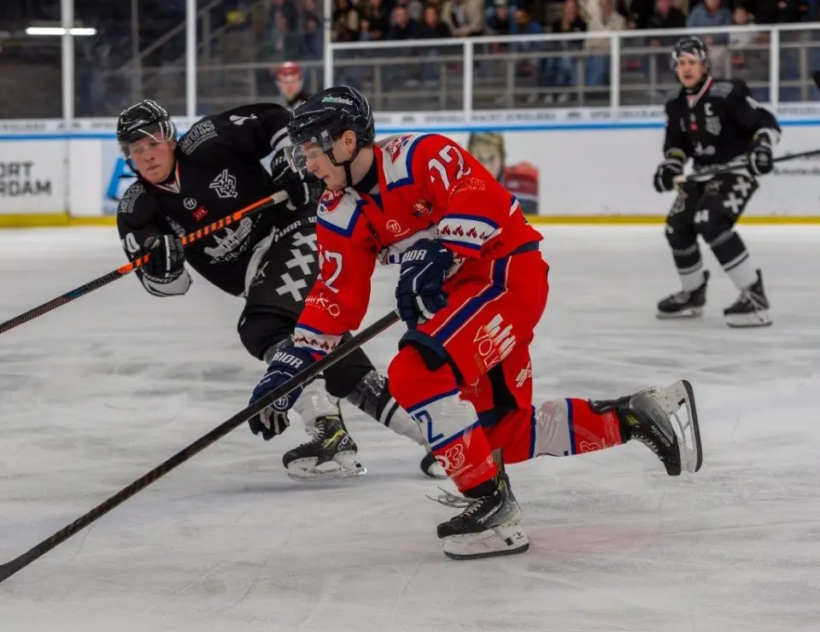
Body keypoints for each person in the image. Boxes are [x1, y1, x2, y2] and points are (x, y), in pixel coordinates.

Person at [247, 85, 703, 560]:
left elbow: (480, 198)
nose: (309, 166)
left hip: (505, 276)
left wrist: (440, 248)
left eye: (312, 152)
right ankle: (639, 415)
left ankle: (491, 504)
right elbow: (336, 295)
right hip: (462, 299)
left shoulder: (420, 155)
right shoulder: (337, 208)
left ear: (345, 142)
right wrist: (291, 365)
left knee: (414, 372)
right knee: (503, 434)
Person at [114, 100, 440, 481]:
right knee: (329, 354)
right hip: (259, 279)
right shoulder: (136, 208)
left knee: (262, 325)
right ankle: (433, 437)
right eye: (136, 150)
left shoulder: (208, 139)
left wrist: (292, 159)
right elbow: (172, 287)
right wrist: (161, 265)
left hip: (295, 228)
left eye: (152, 143)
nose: (147, 155)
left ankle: (326, 423)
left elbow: (276, 117)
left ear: (170, 137)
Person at [653, 36, 779, 328]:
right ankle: (693, 293)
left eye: (692, 62)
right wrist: (671, 166)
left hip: (736, 171)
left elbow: (765, 123)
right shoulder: (675, 106)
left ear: (704, 65)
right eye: (681, 63)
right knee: (677, 226)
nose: (686, 68)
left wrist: (761, 147)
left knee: (711, 220)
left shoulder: (728, 92)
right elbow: (676, 146)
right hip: (701, 175)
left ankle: (754, 296)